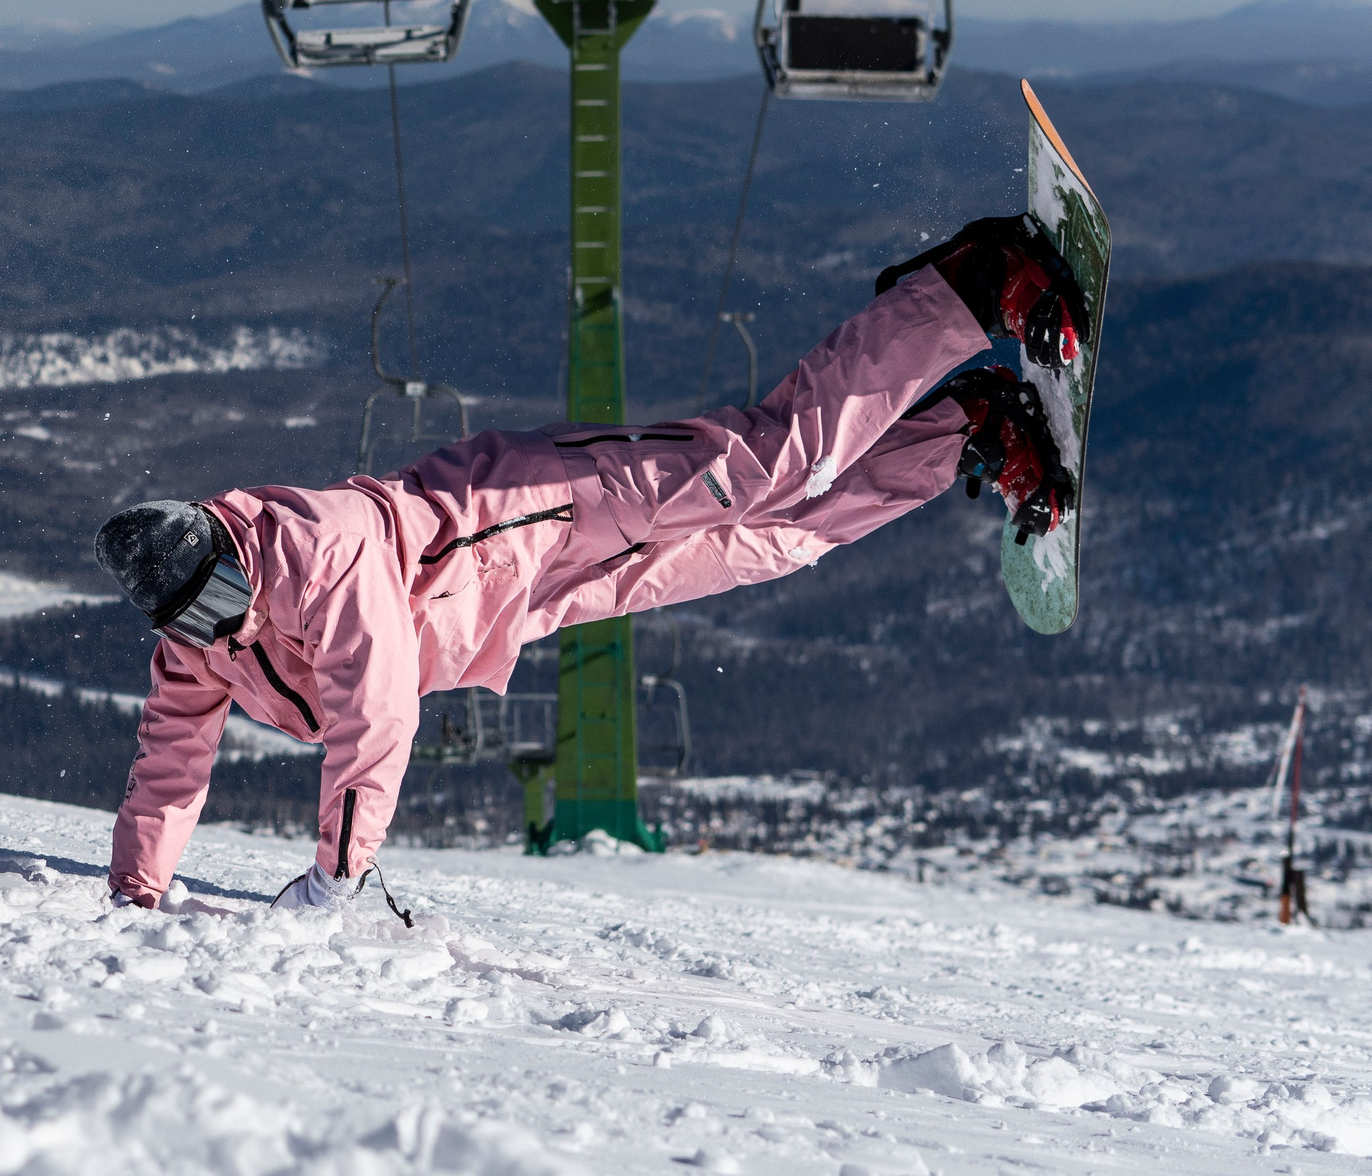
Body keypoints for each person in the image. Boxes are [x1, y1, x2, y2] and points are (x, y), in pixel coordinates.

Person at [92, 215, 1091, 912]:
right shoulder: (204, 645)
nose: (223, 621)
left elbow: (377, 708)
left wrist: (335, 876)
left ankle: (974, 280)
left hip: (535, 504)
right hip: (532, 594)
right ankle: (970, 424)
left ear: (226, 539)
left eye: (221, 586)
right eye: (194, 615)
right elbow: (168, 766)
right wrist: (135, 890)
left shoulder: (315, 546)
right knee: (774, 542)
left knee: (774, 460)